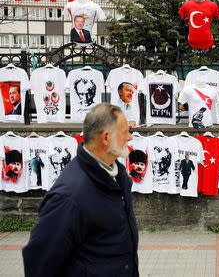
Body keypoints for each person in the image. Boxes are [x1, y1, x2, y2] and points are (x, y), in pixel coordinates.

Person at [23, 103, 139, 277]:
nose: (130, 137)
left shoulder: (116, 176)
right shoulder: (68, 198)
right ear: (106, 138)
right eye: (124, 132)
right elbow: (39, 264)